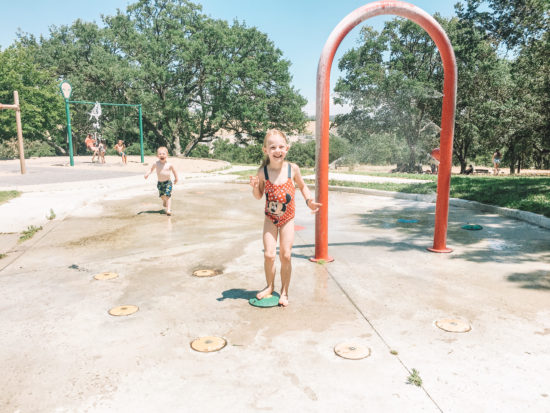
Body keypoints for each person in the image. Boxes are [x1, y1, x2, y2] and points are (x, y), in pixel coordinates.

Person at [249, 129, 321, 307]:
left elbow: (303, 186)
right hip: (270, 219)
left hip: (288, 219)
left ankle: (284, 291)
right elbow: (259, 196)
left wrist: (309, 201)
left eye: (281, 146)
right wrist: (254, 187)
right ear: (265, 150)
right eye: (272, 147)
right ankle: (269, 286)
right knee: (269, 255)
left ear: (287, 148)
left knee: (286, 256)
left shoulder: (292, 169)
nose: (277, 150)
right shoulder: (263, 172)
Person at [144, 146, 179, 216]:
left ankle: (168, 209)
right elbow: (151, 169)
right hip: (160, 183)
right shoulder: (156, 163)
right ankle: (164, 200)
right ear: (157, 156)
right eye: (160, 154)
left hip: (168, 182)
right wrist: (147, 174)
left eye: (163, 154)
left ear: (167, 155)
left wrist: (176, 178)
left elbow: (174, 171)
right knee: (162, 196)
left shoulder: (169, 164)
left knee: (168, 195)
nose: (162, 155)